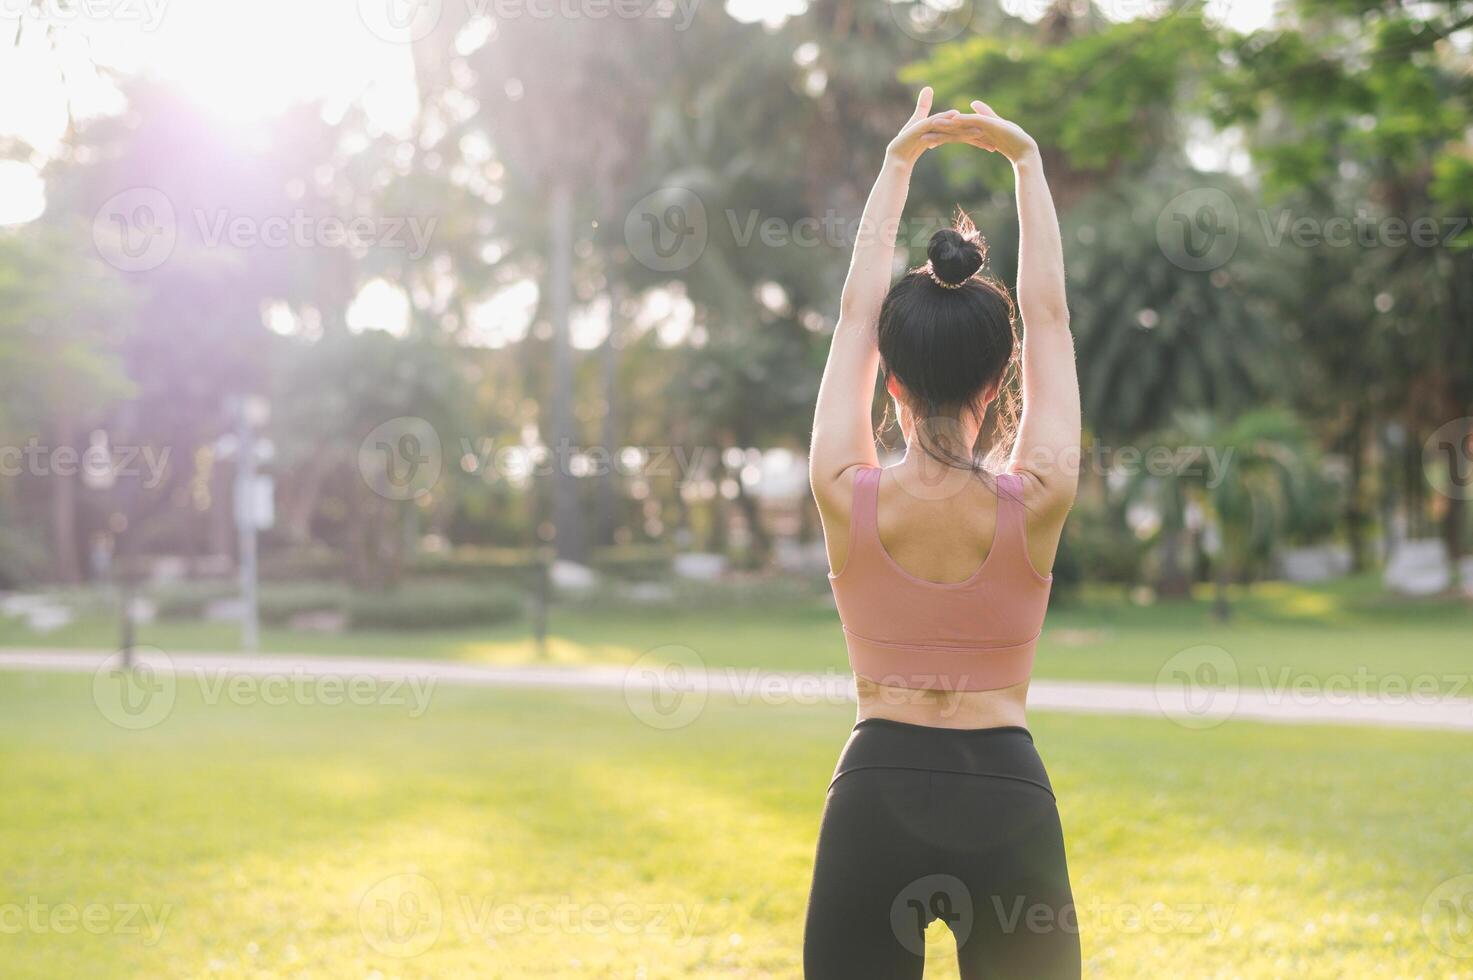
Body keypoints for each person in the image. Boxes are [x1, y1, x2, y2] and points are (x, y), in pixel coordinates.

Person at [804, 87, 1081, 979]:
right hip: (1003, 791)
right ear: (999, 383)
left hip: (873, 789)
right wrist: (1025, 162)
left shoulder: (844, 493)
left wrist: (895, 168)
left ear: (888, 382)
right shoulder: (1037, 495)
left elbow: (853, 318)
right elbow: (1049, 321)